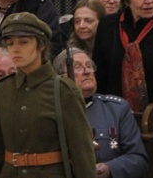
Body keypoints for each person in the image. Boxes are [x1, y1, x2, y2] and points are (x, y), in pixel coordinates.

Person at [0, 12, 96, 177]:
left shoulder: (64, 91)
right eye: (10, 43)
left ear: (41, 45)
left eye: (24, 42)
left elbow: (82, 153)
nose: (15, 49)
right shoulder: (2, 91)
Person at [53, 48, 148, 178]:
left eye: (89, 66)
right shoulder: (52, 112)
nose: (87, 71)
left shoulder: (117, 109)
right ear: (61, 78)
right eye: (77, 67)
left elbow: (139, 160)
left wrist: (110, 168)